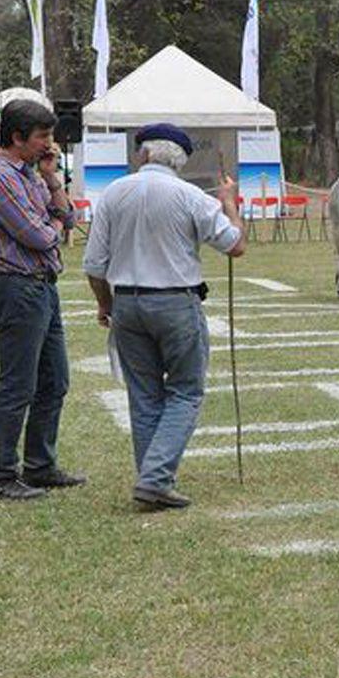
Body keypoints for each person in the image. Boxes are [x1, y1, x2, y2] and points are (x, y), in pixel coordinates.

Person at [82, 124, 246, 511]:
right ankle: (155, 479)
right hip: (175, 302)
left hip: (127, 303)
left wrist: (105, 304)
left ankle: (153, 479)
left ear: (145, 155)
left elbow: (93, 264)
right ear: (180, 159)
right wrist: (230, 203)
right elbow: (236, 245)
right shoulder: (190, 196)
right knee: (186, 392)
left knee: (144, 396)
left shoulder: (113, 193)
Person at [0, 99, 83, 500]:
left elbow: (67, 219)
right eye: (42, 137)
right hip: (18, 287)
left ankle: (39, 466)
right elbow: (41, 235)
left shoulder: (31, 174)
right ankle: (1, 475)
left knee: (54, 381)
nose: (49, 145)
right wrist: (54, 222)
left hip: (42, 286)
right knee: (18, 385)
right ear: (17, 137)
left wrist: (52, 180)